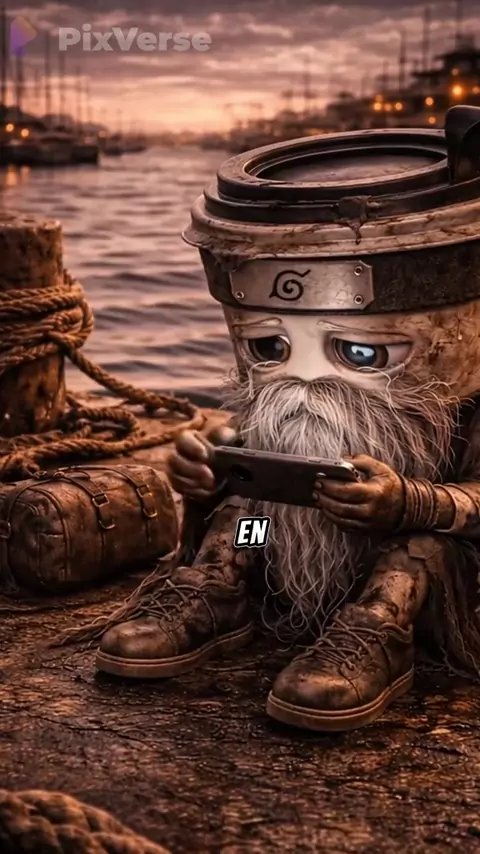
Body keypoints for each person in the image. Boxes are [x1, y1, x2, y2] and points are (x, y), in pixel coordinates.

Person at [95, 107, 480, 732]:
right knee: (249, 507)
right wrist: (210, 471)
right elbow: (243, 458)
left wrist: (410, 502)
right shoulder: (286, 403)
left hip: (419, 573)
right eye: (268, 347)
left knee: (420, 547)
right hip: (276, 545)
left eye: (361, 353)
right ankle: (221, 585)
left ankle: (377, 629)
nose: (303, 379)